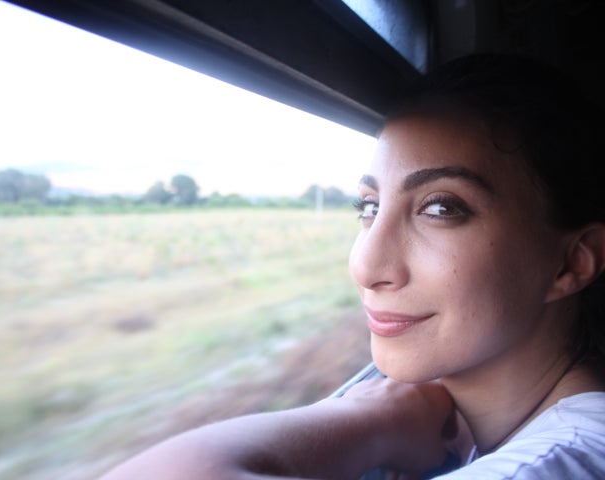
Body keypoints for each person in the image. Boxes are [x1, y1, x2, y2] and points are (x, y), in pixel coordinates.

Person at [99, 54, 605, 479]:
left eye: (440, 208)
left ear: (571, 262)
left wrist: (368, 420)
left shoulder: (562, 461)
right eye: (368, 207)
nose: (365, 266)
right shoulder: (485, 421)